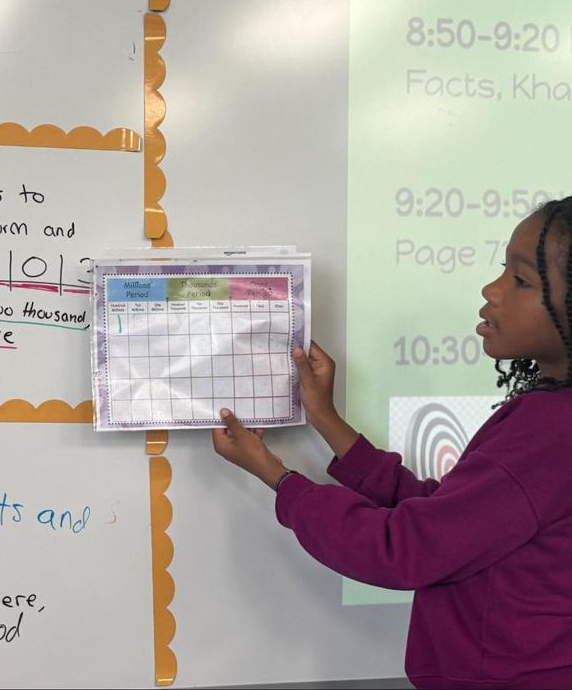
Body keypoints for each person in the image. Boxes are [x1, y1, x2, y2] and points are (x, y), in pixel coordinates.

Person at [212, 197, 572, 689]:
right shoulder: (552, 418)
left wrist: (277, 476)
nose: (491, 289)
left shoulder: (551, 432)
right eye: (501, 270)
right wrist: (326, 419)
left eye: (521, 280)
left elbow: (402, 549)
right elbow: (449, 517)